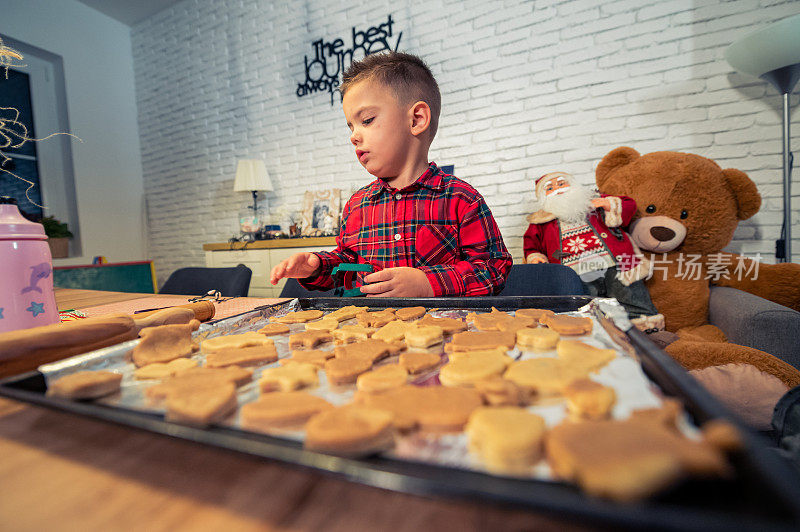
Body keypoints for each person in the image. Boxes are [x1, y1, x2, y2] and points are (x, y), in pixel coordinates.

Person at [270, 52, 511, 297]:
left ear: (417, 119)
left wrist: (428, 284)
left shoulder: (462, 199)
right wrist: (316, 267)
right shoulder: (357, 205)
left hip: (439, 331)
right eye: (351, 126)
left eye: (367, 120)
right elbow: (347, 267)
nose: (353, 136)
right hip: (369, 331)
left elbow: (494, 268)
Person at [523, 171, 663, 327]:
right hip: (575, 272)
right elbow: (531, 244)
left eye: (561, 183)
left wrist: (609, 204)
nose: (558, 189)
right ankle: (598, 335)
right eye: (550, 188)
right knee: (587, 308)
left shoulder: (595, 201)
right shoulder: (540, 222)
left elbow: (629, 205)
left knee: (630, 297)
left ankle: (648, 331)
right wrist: (535, 256)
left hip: (614, 264)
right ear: (543, 197)